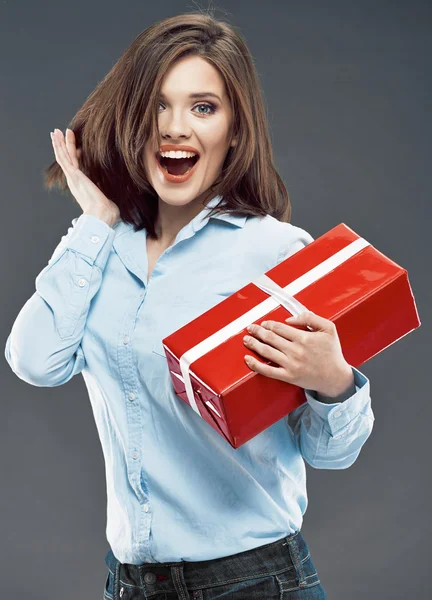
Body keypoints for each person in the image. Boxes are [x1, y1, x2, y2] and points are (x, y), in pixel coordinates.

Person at [4, 10, 374, 600]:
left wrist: (332, 382)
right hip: (129, 585)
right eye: (158, 105)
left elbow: (330, 453)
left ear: (235, 128)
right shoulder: (101, 249)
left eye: (203, 107)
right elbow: (35, 361)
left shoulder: (275, 251)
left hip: (254, 582)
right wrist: (94, 223)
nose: (176, 128)